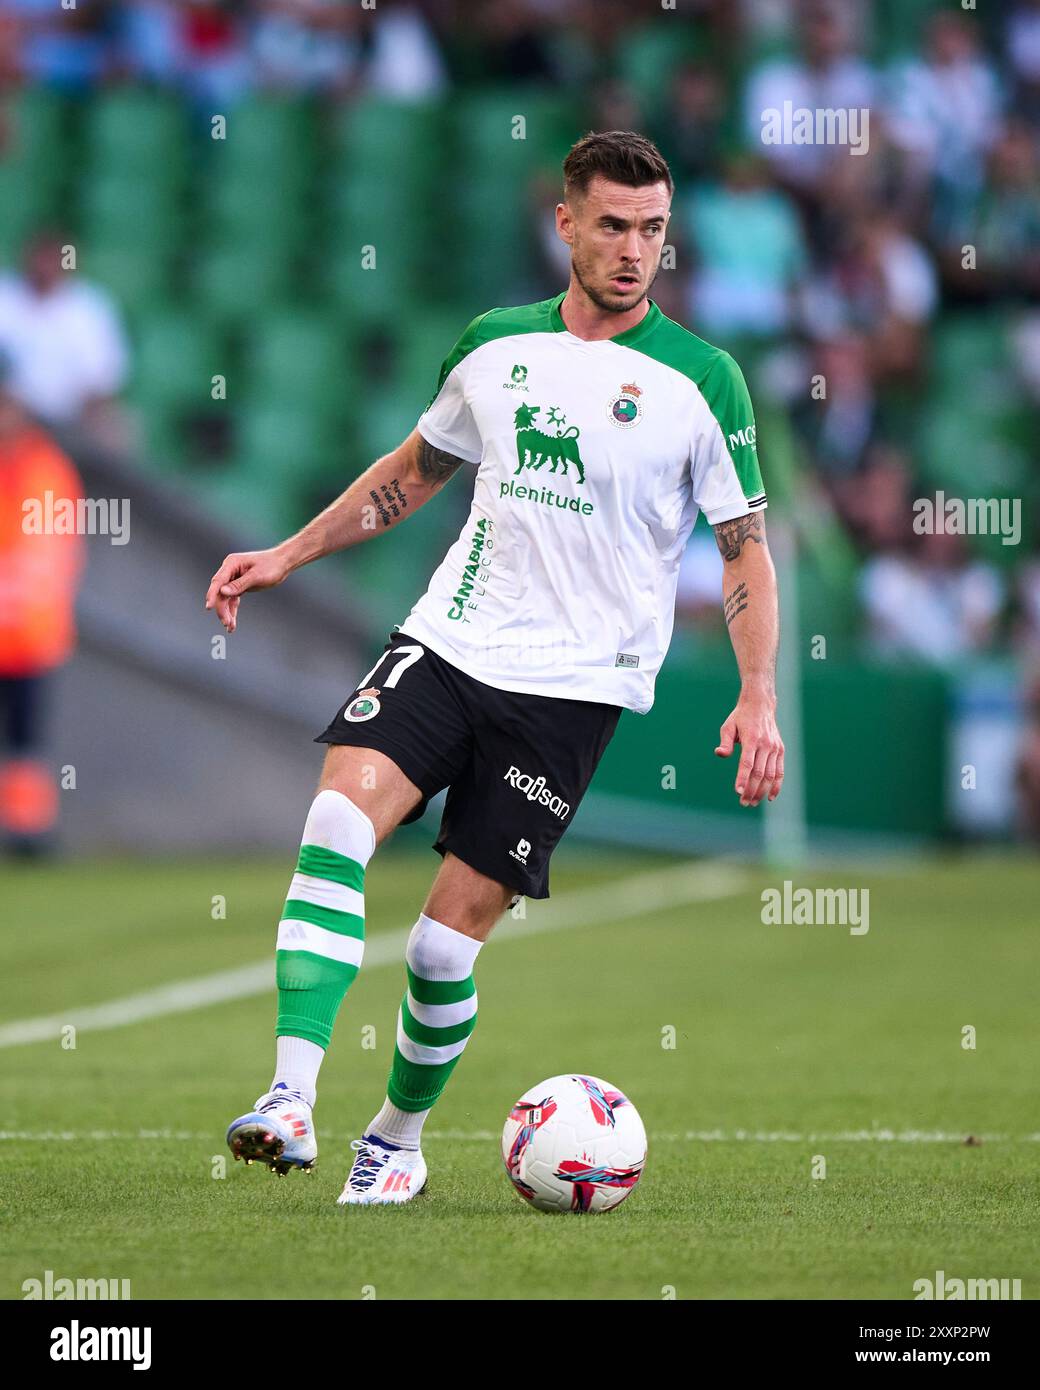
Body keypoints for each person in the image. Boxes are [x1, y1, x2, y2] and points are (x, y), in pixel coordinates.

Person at [205, 131, 784, 1206]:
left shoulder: (704, 380)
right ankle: (288, 1097)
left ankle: (395, 1136)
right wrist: (288, 550)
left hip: (572, 689)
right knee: (336, 820)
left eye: (651, 231)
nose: (632, 250)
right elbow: (416, 469)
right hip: (450, 640)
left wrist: (757, 693)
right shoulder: (492, 344)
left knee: (435, 949)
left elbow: (741, 544)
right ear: (563, 223)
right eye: (611, 225)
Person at [0, 354, 84, 855]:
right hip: (25, 627)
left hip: (29, 634)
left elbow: (49, 551)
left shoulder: (45, 469)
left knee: (26, 742)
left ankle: (30, 834)